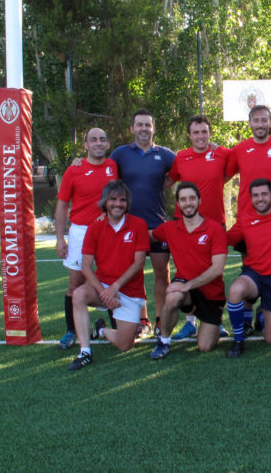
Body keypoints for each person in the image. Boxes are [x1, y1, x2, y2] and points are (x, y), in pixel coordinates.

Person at [225, 105, 271, 338]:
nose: (260, 124)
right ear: (249, 124)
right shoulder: (240, 149)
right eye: (255, 120)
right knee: (249, 267)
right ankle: (245, 321)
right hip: (248, 219)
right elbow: (223, 175)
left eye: (264, 120)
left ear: (270, 122)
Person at [68, 180, 149, 371]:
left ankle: (101, 329)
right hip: (102, 288)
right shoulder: (95, 227)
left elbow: (139, 263)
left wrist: (114, 288)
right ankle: (85, 352)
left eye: (122, 200)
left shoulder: (138, 225)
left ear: (127, 203)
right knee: (78, 294)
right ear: (105, 202)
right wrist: (104, 291)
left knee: (125, 346)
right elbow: (86, 266)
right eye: (113, 199)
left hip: (128, 291)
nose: (117, 204)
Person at [109, 109, 176, 338]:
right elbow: (103, 172)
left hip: (157, 225)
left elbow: (181, 171)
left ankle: (160, 320)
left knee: (162, 274)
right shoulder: (120, 154)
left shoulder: (165, 155)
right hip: (129, 226)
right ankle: (142, 320)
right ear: (132, 128)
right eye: (140, 125)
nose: (144, 129)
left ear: (153, 128)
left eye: (148, 125)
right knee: (133, 275)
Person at [167, 115, 233, 341]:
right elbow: (170, 180)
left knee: (217, 273)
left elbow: (230, 172)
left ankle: (217, 321)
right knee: (187, 270)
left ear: (210, 133)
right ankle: (190, 322)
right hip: (186, 225)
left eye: (204, 131)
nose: (200, 136)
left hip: (214, 223)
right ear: (189, 135)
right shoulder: (181, 157)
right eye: (196, 132)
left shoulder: (222, 154)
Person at [53, 127, 118, 350]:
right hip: (81, 233)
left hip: (108, 232)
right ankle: (71, 331)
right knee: (75, 283)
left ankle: (115, 326)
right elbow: (62, 205)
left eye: (102, 139)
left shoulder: (113, 166)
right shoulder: (74, 170)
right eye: (93, 140)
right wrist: (60, 238)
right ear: (85, 145)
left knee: (111, 278)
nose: (98, 143)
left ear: (108, 144)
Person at [147, 182, 228, 359]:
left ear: (199, 201)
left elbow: (218, 268)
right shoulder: (170, 228)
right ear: (178, 204)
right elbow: (146, 234)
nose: (188, 203)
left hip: (212, 294)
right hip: (186, 291)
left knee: (205, 346)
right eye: (183, 199)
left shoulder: (215, 229)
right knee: (172, 295)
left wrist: (188, 284)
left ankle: (212, 323)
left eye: (192, 198)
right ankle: (164, 342)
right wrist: (110, 219)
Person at [224, 178, 271, 358]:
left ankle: (262, 313)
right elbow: (228, 239)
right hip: (254, 275)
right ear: (251, 198)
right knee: (235, 290)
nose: (260, 199)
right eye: (256, 195)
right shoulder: (245, 219)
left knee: (270, 339)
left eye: (264, 194)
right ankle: (238, 341)